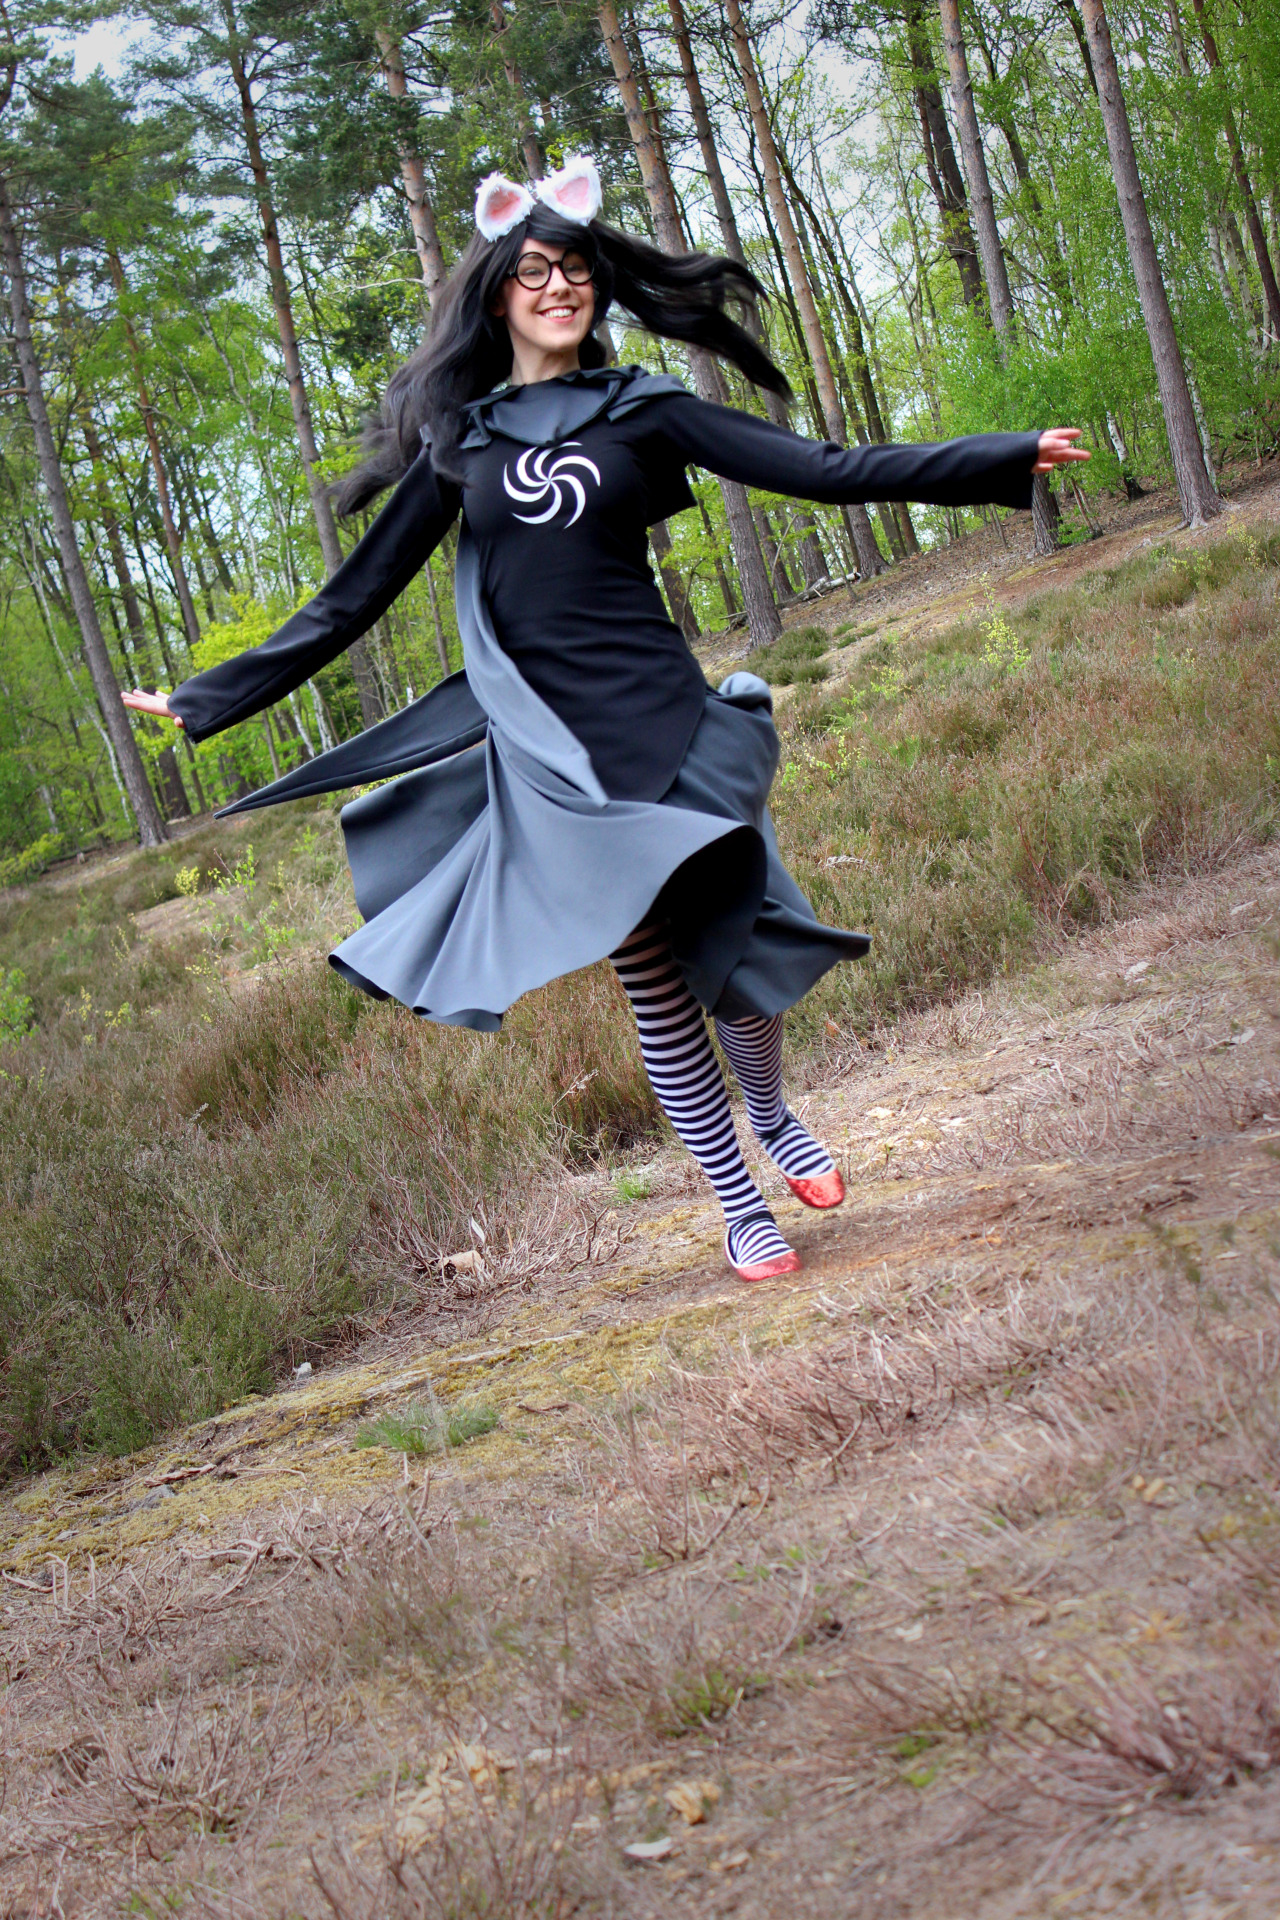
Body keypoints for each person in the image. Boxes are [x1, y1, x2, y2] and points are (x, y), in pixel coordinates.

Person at [125, 154, 1088, 1283]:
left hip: (667, 717)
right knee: (656, 985)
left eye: (575, 268)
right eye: (533, 271)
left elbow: (824, 469)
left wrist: (997, 457)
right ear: (497, 294)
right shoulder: (460, 443)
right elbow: (351, 600)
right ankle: (739, 1206)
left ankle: (772, 1113)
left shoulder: (645, 408)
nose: (559, 287)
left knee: (739, 949)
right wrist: (207, 698)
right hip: (555, 757)